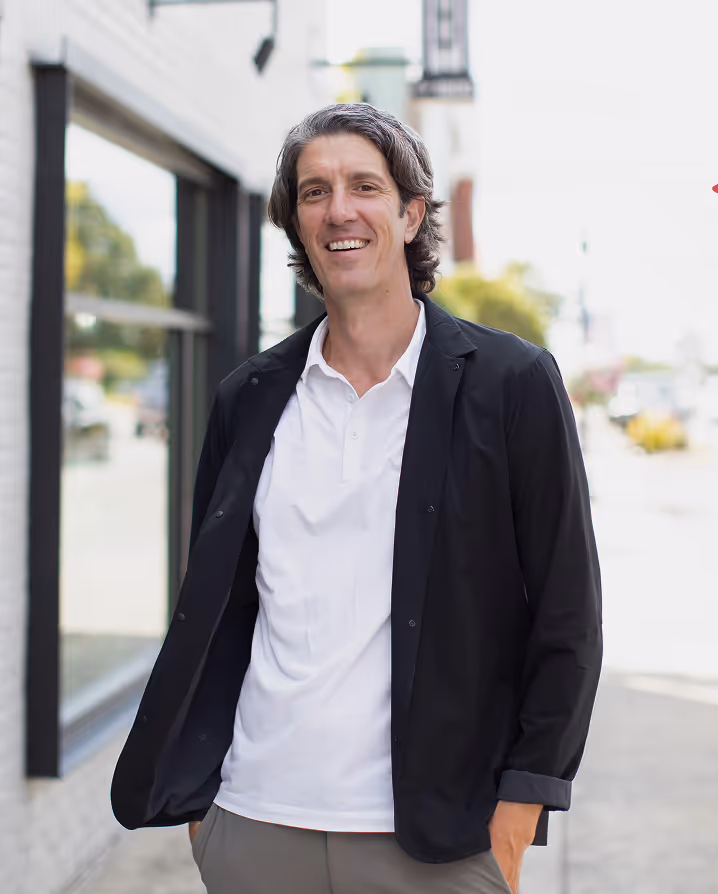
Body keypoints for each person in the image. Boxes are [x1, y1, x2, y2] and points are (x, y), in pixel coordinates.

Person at [111, 103, 602, 894]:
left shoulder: (512, 386)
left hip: (436, 842)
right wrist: (206, 815)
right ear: (297, 223)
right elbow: (219, 607)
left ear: (410, 214)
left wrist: (521, 806)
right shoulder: (249, 398)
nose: (339, 209)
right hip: (254, 823)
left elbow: (567, 613)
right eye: (315, 192)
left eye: (364, 186)